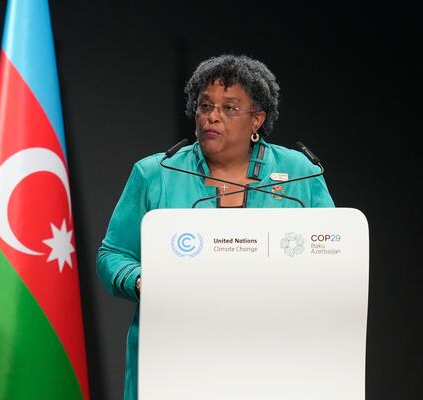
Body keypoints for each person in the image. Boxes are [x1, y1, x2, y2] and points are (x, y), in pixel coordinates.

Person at [96, 54, 334, 400]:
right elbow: (112, 255)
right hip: (175, 357)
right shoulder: (156, 173)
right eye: (205, 105)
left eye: (229, 108)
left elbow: (334, 252)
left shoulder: (300, 173)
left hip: (274, 355)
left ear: (258, 119)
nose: (212, 116)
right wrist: (140, 280)